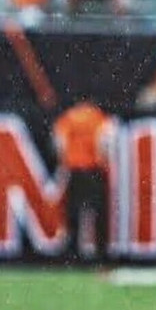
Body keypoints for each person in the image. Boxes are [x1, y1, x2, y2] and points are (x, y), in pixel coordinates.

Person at [52, 101, 114, 262]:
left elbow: (60, 142)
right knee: (97, 211)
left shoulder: (68, 117)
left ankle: (73, 251)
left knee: (73, 211)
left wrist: (65, 160)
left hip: (75, 169)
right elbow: (105, 141)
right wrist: (103, 160)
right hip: (93, 169)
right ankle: (100, 251)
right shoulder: (98, 116)